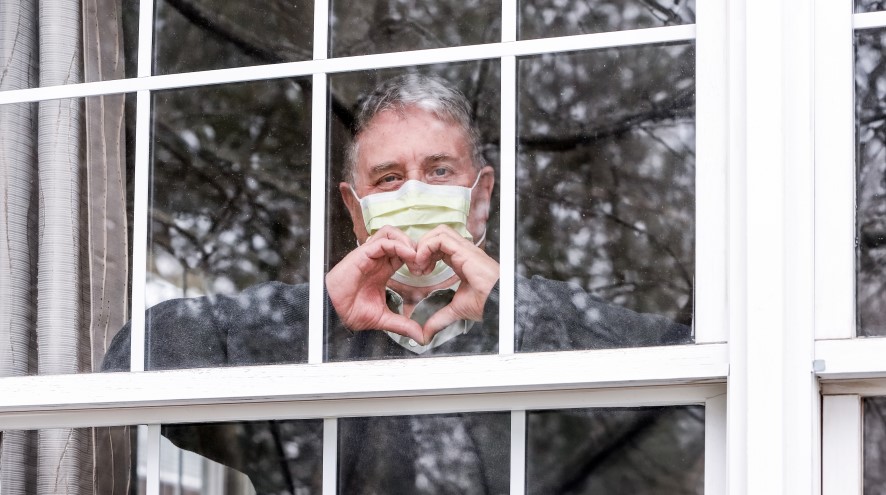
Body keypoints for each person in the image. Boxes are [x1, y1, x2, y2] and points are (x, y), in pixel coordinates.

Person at [102, 74, 694, 492]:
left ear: (480, 198)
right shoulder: (298, 326)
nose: (414, 194)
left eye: (439, 170)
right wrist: (317, 315)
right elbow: (133, 359)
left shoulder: (552, 317)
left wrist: (511, 309)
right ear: (357, 213)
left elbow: (688, 393)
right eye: (388, 178)